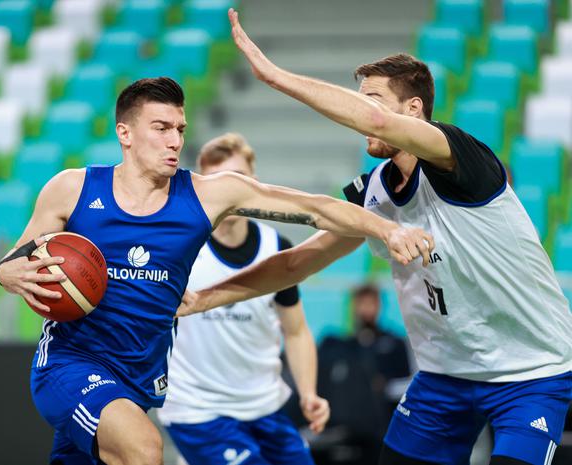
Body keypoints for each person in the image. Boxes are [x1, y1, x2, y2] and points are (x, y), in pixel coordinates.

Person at [177, 10, 572, 465]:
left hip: (531, 371)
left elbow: (378, 122)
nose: (364, 113)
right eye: (361, 100)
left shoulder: (464, 160)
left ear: (414, 111)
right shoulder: (373, 193)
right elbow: (294, 265)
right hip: (445, 376)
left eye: (373, 100)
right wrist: (205, 297)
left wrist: (275, 76)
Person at [0, 77, 432, 465]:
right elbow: (16, 259)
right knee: (144, 449)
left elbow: (313, 209)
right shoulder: (72, 188)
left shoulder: (206, 196)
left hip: (140, 378)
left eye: (180, 130)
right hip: (70, 363)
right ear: (124, 134)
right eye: (161, 128)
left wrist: (386, 228)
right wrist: (6, 274)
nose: (174, 141)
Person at [157, 133, 329, 465]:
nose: (230, 190)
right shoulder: (179, 248)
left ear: (255, 183)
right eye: (219, 181)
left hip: (264, 406)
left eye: (239, 179)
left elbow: (295, 330)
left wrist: (308, 393)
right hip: (198, 410)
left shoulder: (276, 246)